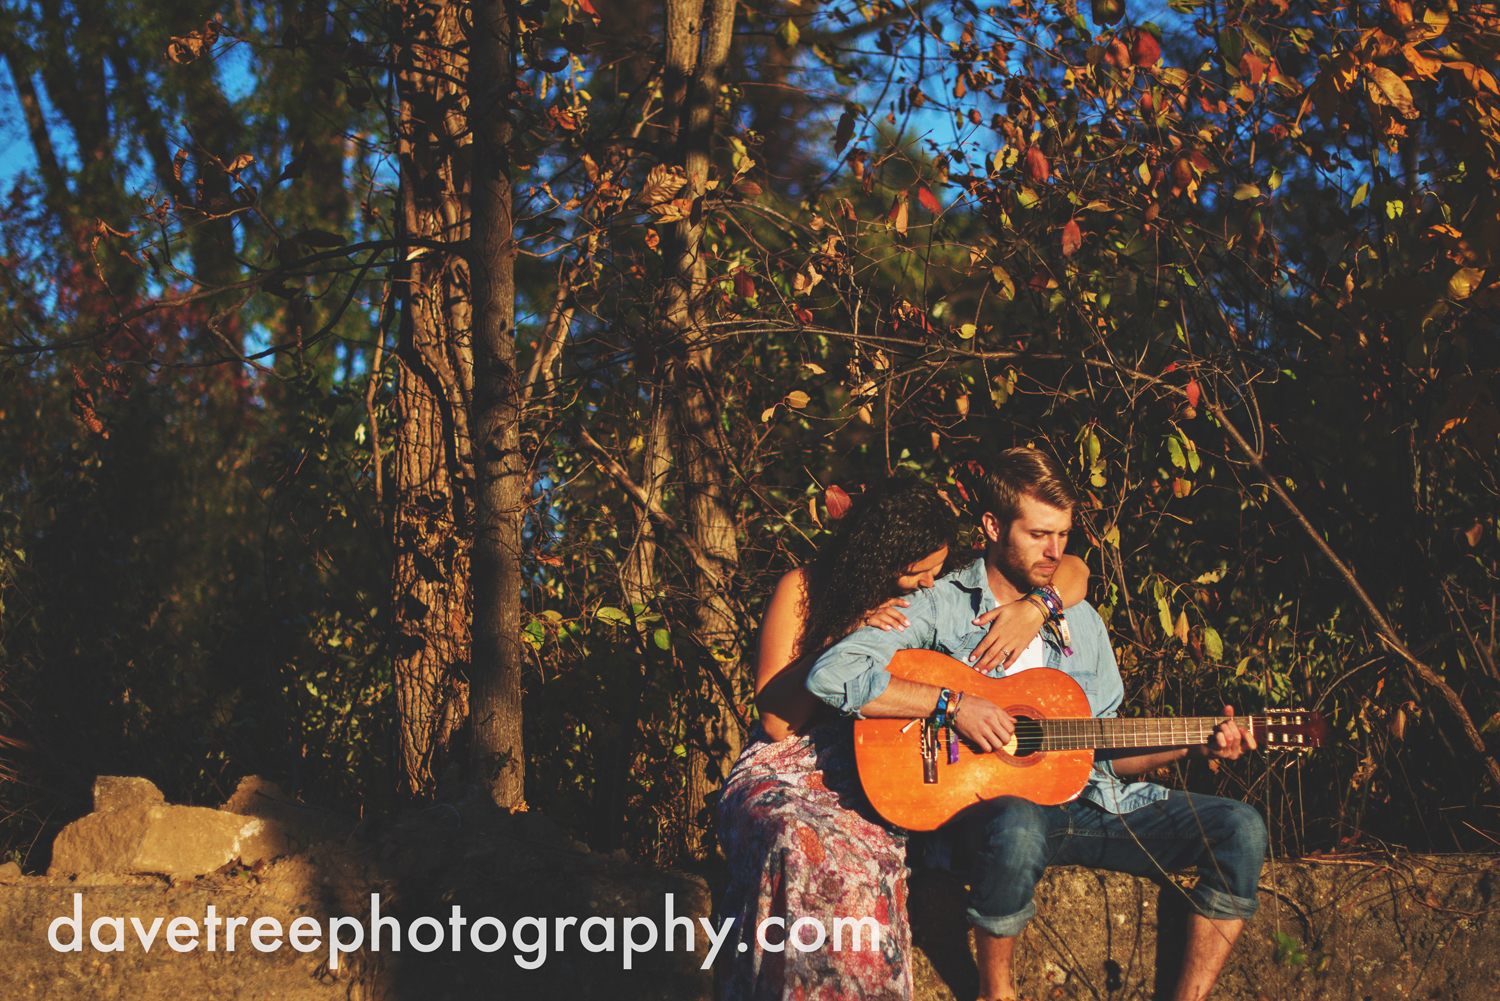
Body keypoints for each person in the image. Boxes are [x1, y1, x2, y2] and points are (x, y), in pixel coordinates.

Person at [806, 447, 1267, 1001]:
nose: (1054, 552)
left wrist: (1196, 746)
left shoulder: (1082, 620)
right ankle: (996, 992)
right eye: (1038, 535)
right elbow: (832, 674)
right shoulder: (944, 605)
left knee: (1241, 830)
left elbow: (1108, 750)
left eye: (1063, 536)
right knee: (1021, 824)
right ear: (993, 526)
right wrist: (952, 705)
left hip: (1084, 807)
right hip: (985, 815)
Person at [716, 477, 1091, 1001]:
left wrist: (1036, 608)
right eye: (918, 573)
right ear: (882, 556)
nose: (927, 585)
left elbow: (1074, 570)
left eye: (936, 571)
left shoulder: (933, 583)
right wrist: (846, 636)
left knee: (870, 859)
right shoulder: (803, 588)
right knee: (795, 838)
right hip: (788, 765)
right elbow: (779, 723)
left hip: (878, 764)